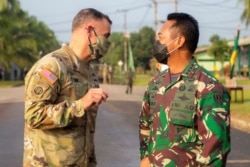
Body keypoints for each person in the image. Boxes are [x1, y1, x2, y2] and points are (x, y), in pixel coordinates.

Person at [139, 12, 230, 167]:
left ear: (179, 41)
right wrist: (145, 158)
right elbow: (145, 124)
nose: (156, 43)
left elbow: (215, 150)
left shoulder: (209, 87)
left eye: (161, 37)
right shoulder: (155, 83)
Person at [23, 8, 112, 167]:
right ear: (90, 31)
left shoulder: (89, 73)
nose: (108, 43)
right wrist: (80, 104)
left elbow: (86, 131)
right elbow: (33, 115)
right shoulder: (52, 66)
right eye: (106, 36)